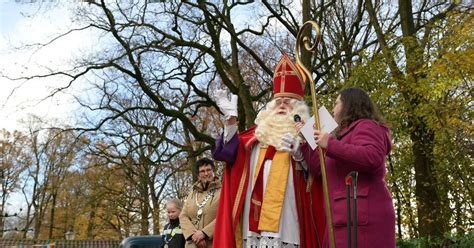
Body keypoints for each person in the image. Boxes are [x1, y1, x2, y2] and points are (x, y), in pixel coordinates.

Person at [212, 54, 325, 248]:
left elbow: (321, 174)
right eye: (278, 101)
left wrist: (302, 153)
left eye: (288, 101)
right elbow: (229, 156)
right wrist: (231, 123)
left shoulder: (311, 134)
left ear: (299, 107)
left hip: (289, 219)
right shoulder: (255, 137)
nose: (282, 105)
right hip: (252, 224)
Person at [297, 87, 396, 247]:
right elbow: (318, 169)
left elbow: (372, 157)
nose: (332, 109)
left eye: (336, 104)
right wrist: (306, 141)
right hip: (344, 219)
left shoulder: (366, 126)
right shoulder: (341, 136)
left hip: (363, 220)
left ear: (349, 105)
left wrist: (330, 143)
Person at [180, 158, 221, 248]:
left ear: (213, 171)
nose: (206, 173)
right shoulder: (192, 193)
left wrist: (204, 233)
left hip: (213, 243)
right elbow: (183, 216)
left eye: (208, 170)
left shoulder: (222, 192)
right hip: (193, 244)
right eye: (202, 171)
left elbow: (224, 216)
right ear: (198, 175)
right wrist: (193, 235)